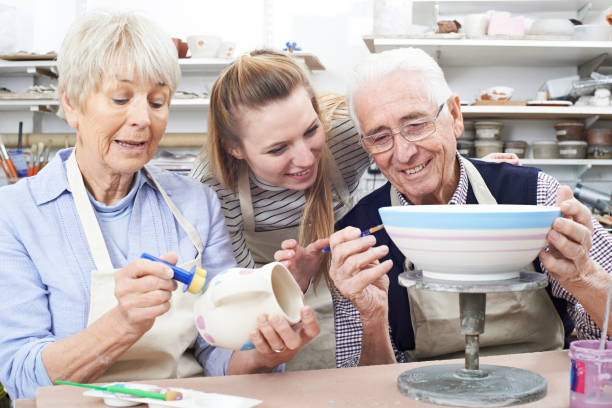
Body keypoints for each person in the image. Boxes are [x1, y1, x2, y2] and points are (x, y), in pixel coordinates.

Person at [0, 11, 318, 400]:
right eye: (120, 98)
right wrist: (120, 326)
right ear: (71, 103)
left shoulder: (196, 203)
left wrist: (261, 354)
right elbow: (19, 375)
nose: (142, 119)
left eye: (157, 101)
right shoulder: (15, 214)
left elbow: (215, 350)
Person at [191, 49, 521, 370]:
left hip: (340, 270)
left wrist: (469, 171)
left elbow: (409, 146)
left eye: (310, 131)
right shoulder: (214, 191)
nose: (306, 160)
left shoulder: (346, 136)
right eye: (278, 149)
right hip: (270, 291)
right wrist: (291, 285)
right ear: (234, 149)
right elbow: (240, 306)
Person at [281, 47, 612, 367]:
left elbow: (604, 336)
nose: (404, 153)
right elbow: (366, 389)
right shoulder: (360, 237)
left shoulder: (535, 195)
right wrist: (372, 319)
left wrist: (585, 278)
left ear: (454, 116)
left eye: (416, 125)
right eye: (380, 137)